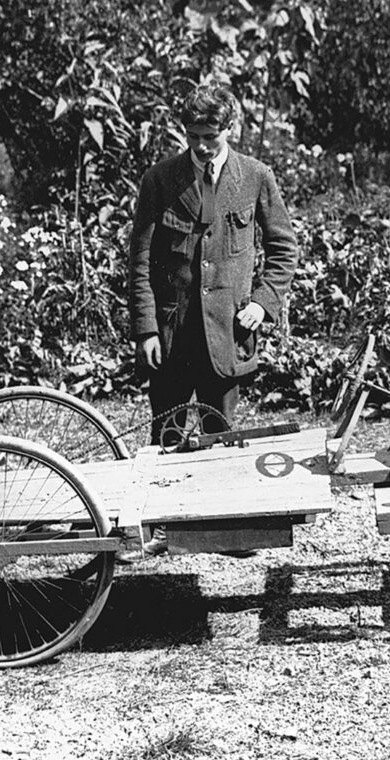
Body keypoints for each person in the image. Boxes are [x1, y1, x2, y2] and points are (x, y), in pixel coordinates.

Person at [126, 83, 298, 557]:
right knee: (165, 431)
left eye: (211, 136)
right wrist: (144, 329)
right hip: (171, 333)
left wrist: (263, 303)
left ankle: (224, 528)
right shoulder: (159, 180)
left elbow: (284, 248)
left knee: (224, 430)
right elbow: (139, 260)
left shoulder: (256, 177)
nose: (202, 146)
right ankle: (160, 528)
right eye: (194, 135)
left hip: (229, 332)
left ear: (231, 129)